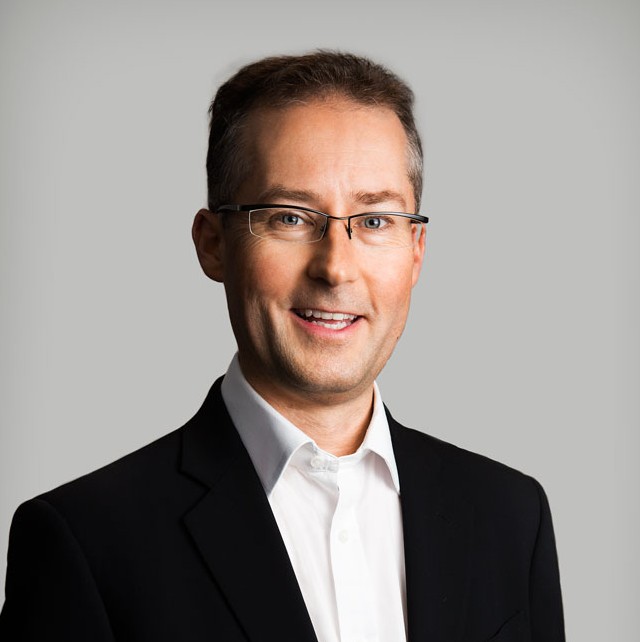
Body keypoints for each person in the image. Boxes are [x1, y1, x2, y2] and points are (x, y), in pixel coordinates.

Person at [0, 51, 564, 641]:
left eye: (375, 221)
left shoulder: (511, 517)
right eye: (290, 218)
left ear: (416, 251)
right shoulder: (87, 542)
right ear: (213, 244)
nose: (336, 268)